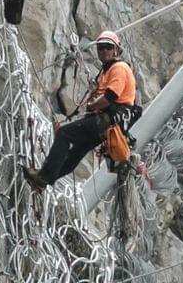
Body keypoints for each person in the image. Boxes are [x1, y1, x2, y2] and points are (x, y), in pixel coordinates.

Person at [26, 32, 140, 189]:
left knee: (64, 133)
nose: (104, 51)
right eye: (101, 48)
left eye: (108, 47)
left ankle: (44, 177)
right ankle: (45, 179)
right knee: (77, 151)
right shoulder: (107, 71)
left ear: (116, 51)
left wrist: (92, 106)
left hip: (108, 120)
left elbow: (110, 96)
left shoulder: (119, 68)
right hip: (107, 122)